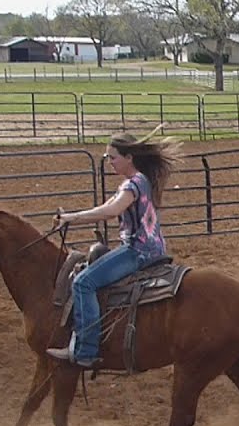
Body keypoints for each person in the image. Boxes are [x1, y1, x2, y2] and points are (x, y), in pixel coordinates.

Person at [46, 132, 180, 367]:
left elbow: (111, 212)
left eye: (113, 158)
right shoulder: (140, 181)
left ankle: (86, 351)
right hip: (152, 247)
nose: (110, 162)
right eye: (108, 158)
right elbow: (106, 207)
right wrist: (71, 218)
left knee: (82, 283)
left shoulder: (133, 184)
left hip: (138, 251)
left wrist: (71, 218)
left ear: (129, 157)